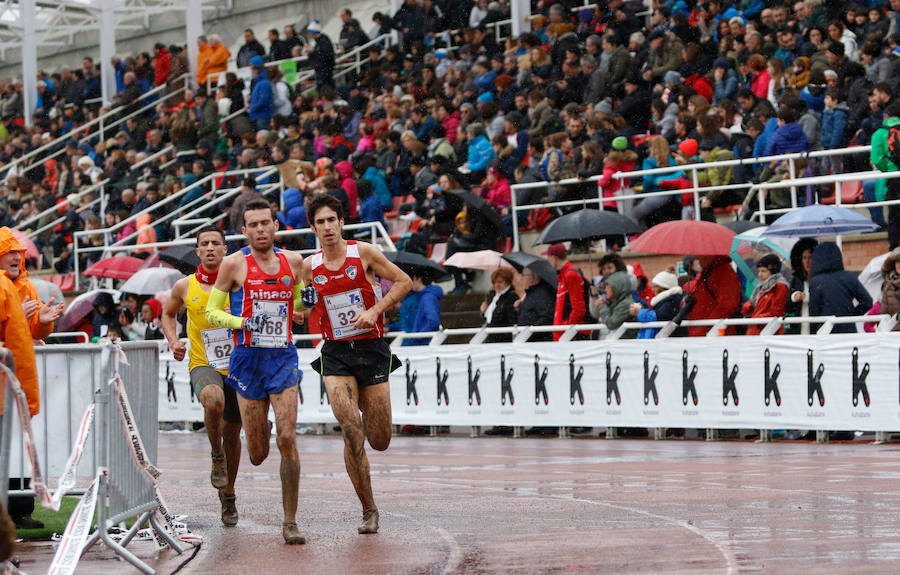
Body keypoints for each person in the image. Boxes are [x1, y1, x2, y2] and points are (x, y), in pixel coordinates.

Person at [301, 193, 411, 535]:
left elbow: (404, 282)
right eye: (320, 222)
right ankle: (368, 508)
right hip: (335, 352)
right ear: (313, 228)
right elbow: (302, 310)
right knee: (350, 429)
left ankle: (364, 421)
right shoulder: (309, 266)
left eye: (331, 220)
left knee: (379, 440)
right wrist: (303, 303)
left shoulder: (363, 253)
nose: (327, 227)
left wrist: (375, 311)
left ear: (341, 222)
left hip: (371, 349)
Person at [205, 198, 307, 544]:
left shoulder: (294, 261)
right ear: (244, 230)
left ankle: (290, 521)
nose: (261, 229)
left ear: (276, 226)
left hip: (282, 358)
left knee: (288, 438)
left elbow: (299, 306)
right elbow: (212, 313)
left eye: (266, 223)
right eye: (254, 225)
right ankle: (260, 425)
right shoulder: (233, 265)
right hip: (247, 360)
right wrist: (243, 322)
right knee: (258, 454)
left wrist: (305, 302)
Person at [162, 226, 243, 527]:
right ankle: (216, 454)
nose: (210, 247)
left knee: (233, 433)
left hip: (238, 365)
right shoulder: (184, 286)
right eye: (204, 244)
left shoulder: (238, 283)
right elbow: (168, 314)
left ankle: (229, 495)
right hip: (202, 362)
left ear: (225, 249)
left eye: (215, 243)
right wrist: (173, 341)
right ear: (197, 251)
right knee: (213, 400)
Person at [808, 242, 872, 333]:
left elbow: (814, 312)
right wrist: (850, 315)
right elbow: (867, 302)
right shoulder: (849, 277)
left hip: (826, 331)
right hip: (848, 330)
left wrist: (813, 332)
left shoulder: (816, 281)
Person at [542, 243, 588, 341]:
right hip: (565, 334)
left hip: (571, 335)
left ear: (554, 258)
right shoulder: (563, 275)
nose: (548, 261)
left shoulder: (570, 275)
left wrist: (566, 327)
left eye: (548, 258)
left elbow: (579, 309)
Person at [741, 254, 789, 335]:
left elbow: (776, 313)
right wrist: (748, 307)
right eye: (759, 271)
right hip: (757, 330)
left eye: (763, 271)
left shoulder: (779, 286)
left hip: (769, 332)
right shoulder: (761, 287)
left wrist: (756, 318)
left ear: (772, 271)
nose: (760, 274)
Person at [631, 270, 682, 339]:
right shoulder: (668, 300)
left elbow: (658, 316)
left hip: (668, 341)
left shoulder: (671, 301)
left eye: (656, 286)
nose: (653, 289)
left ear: (663, 287)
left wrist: (640, 311)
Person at [785, 238, 817, 335]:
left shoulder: (820, 279)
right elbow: (788, 307)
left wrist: (809, 297)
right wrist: (794, 297)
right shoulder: (797, 279)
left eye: (810, 257)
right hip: (799, 329)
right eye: (804, 258)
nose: (807, 261)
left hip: (816, 328)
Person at [515, 265, 556, 342]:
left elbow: (546, 318)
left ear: (531, 278)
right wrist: (520, 308)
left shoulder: (542, 294)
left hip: (536, 342)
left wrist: (529, 333)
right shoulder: (531, 292)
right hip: (526, 340)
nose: (522, 278)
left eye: (523, 275)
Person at [479, 268, 518, 343]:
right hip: (493, 338)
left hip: (503, 340)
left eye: (500, 282)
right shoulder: (495, 297)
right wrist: (484, 312)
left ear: (508, 282)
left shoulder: (511, 297)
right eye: (494, 282)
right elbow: (491, 319)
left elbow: (509, 320)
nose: (496, 285)